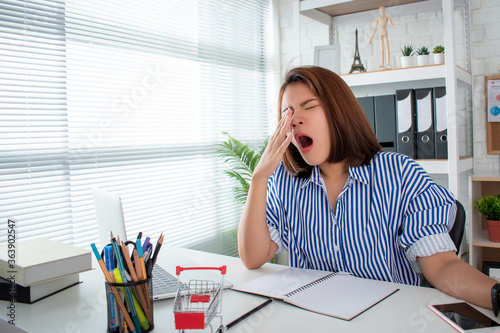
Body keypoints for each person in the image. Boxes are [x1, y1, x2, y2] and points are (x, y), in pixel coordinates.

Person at [238, 66, 499, 312]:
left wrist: (496, 295)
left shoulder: (399, 173)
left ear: (339, 111)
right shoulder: (284, 181)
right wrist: (259, 178)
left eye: (309, 106)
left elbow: (443, 266)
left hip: (390, 318)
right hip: (316, 317)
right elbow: (253, 257)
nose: (294, 121)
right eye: (287, 114)